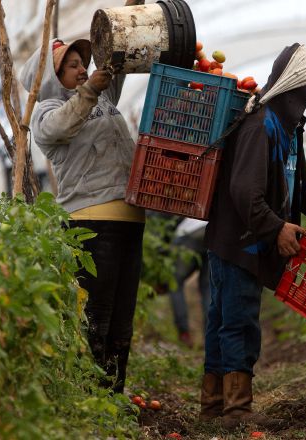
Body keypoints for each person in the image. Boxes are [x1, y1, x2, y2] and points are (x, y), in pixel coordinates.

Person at [200, 43, 306, 429]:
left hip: (249, 239)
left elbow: (301, 193)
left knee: (227, 318)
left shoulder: (289, 131)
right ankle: (234, 410)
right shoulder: (259, 127)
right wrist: (276, 227)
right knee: (237, 321)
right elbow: (244, 193)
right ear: (294, 87)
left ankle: (215, 406)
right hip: (237, 241)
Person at [19, 4, 144, 393]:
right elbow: (61, 126)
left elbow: (116, 64)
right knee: (97, 314)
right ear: (53, 80)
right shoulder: (47, 112)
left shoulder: (102, 101)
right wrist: (88, 90)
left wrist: (131, 13)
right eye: (70, 65)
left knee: (123, 316)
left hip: (129, 219)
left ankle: (115, 394)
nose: (82, 69)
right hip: (91, 223)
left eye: (82, 62)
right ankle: (95, 396)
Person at [169, 218, 210, 347]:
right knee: (208, 288)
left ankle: (184, 333)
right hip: (211, 231)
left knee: (174, 283)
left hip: (189, 234)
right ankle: (211, 338)